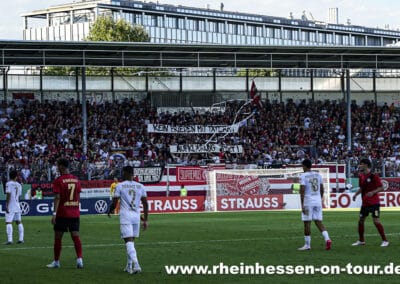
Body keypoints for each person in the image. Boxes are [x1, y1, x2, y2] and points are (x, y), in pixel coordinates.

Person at [108, 166, 148, 274]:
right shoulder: (140, 186)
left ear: (126, 173)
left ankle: (137, 265)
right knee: (131, 243)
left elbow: (115, 202)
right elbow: (145, 203)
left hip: (125, 216)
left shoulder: (120, 186)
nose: (122, 174)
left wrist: (110, 210)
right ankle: (129, 266)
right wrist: (146, 220)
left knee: (128, 242)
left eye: (123, 172)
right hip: (136, 216)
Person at [47, 158, 84, 269]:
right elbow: (78, 196)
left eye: (58, 165)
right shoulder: (76, 180)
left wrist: (54, 213)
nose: (57, 167)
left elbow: (57, 197)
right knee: (76, 237)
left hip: (62, 213)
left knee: (58, 237)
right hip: (74, 213)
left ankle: (57, 262)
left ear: (62, 166)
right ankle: (80, 260)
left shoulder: (58, 180)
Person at [352, 158, 389, 247]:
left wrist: (373, 192)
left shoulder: (373, 176)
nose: (360, 165)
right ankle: (361, 241)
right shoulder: (361, 176)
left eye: (361, 164)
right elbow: (362, 188)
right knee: (361, 221)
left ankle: (385, 240)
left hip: (374, 203)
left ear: (366, 165)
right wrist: (356, 194)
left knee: (376, 221)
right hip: (365, 203)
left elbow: (381, 187)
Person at [298, 159, 331, 251]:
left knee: (307, 223)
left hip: (308, 201)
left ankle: (307, 245)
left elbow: (302, 191)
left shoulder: (303, 176)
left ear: (304, 166)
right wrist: (319, 199)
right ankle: (327, 239)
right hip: (317, 201)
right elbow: (322, 189)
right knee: (318, 222)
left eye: (302, 166)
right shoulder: (318, 175)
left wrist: (302, 205)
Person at [4, 169, 24, 244]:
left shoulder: (9, 183)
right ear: (16, 176)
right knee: (19, 222)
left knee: (8, 222)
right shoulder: (19, 185)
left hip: (11, 205)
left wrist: (6, 205)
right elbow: (19, 196)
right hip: (17, 205)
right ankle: (21, 239)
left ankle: (9, 240)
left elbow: (8, 194)